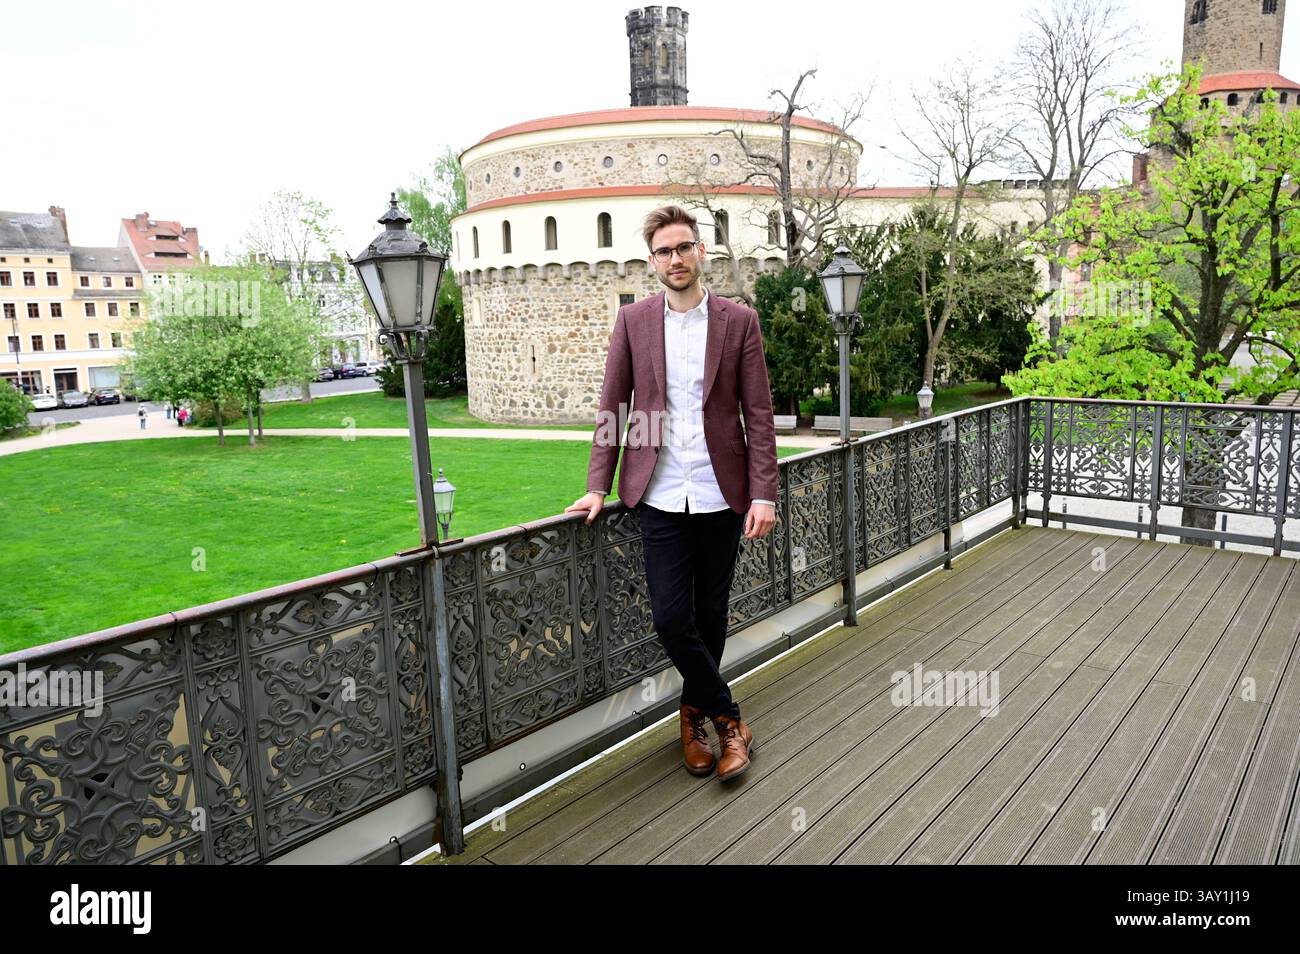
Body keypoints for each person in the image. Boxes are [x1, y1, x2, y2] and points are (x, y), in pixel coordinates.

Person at [566, 204, 778, 782]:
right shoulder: (634, 322)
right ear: (652, 260)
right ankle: (731, 720)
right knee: (669, 618)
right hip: (657, 492)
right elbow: (614, 406)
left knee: (710, 616)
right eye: (664, 251)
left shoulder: (739, 321)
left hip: (720, 492)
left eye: (684, 248)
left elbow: (757, 413)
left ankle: (692, 722)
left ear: (700, 252)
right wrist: (595, 486)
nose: (675, 259)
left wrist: (765, 492)